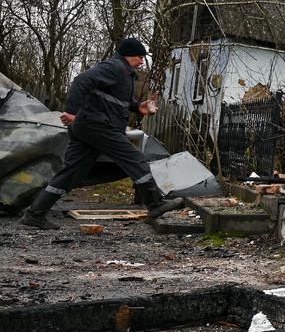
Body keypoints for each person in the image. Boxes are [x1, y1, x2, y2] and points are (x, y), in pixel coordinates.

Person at [19, 37, 185, 230]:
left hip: (90, 127)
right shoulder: (114, 66)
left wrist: (138, 107)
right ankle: (156, 204)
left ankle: (34, 214)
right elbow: (81, 81)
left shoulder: (125, 74)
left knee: (71, 172)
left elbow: (116, 101)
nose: (141, 61)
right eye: (139, 57)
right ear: (128, 55)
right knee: (135, 159)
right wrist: (72, 112)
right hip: (98, 125)